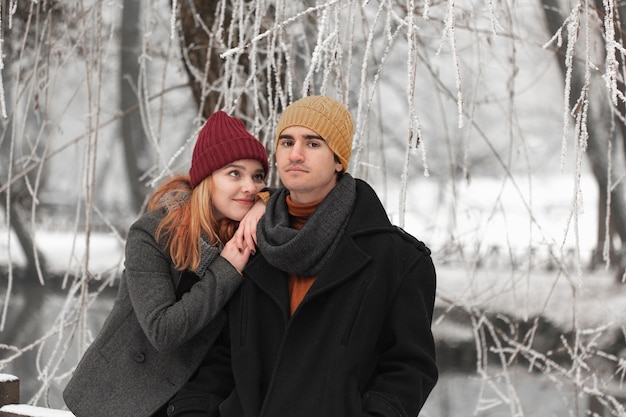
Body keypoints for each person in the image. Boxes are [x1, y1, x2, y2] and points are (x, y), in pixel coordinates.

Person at [167, 95, 438, 417]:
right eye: (286, 141)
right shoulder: (247, 243)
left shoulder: (398, 260)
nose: (295, 154)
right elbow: (219, 354)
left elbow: (408, 369)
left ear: (338, 160)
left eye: (312, 143)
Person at [63, 110, 269, 417]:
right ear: (206, 179)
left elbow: (301, 201)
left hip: (193, 400)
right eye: (235, 174)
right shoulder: (153, 234)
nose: (250, 187)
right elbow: (163, 331)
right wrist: (226, 269)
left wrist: (267, 202)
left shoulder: (247, 233)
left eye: (258, 176)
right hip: (121, 398)